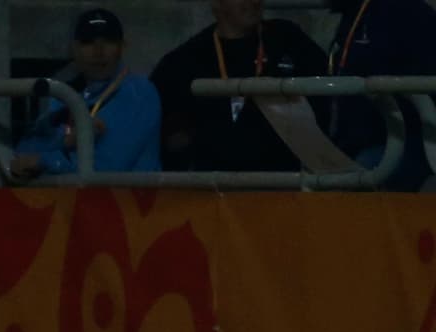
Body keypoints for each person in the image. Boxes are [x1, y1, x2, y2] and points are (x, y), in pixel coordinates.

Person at [150, 0, 326, 171]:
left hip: (284, 183)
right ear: (216, 3)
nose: (254, 1)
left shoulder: (287, 39)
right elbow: (160, 130)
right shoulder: (186, 60)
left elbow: (327, 94)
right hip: (213, 188)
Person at [10, 8, 161, 181]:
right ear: (74, 49)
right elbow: (23, 152)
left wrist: (44, 161)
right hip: (72, 204)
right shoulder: (63, 95)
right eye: (88, 42)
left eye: (109, 41)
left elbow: (107, 167)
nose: (99, 51)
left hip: (129, 204)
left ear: (122, 47)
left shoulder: (140, 93)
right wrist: (65, 140)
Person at [327, 0, 436, 190]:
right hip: (357, 144)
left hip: (405, 144)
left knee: (361, 170)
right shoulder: (351, 16)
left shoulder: (406, 13)